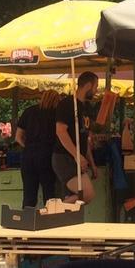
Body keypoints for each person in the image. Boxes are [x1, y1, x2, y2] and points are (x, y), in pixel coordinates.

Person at [52, 72, 99, 203]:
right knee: (87, 194)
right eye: (96, 86)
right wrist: (77, 156)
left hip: (77, 158)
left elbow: (85, 138)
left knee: (76, 199)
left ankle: (62, 215)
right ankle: (53, 212)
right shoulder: (67, 104)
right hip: (64, 157)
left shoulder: (86, 107)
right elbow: (60, 131)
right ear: (88, 85)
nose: (96, 91)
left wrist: (92, 163)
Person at [14, 92, 59, 208]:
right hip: (47, 155)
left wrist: (28, 146)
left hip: (28, 156)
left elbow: (18, 137)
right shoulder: (56, 114)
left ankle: (27, 221)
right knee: (49, 193)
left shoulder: (29, 111)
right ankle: (50, 221)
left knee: (29, 195)